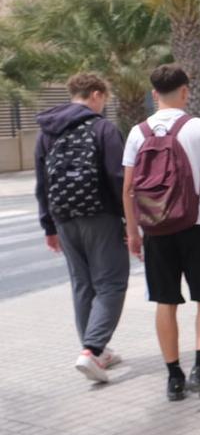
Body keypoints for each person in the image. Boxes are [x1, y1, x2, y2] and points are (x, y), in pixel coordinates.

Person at [122, 64, 200, 402]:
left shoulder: (137, 132)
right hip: (198, 223)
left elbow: (129, 187)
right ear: (186, 91)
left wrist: (133, 231)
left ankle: (173, 377)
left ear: (154, 93)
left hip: (157, 228)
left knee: (166, 300)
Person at [34, 72, 129, 383]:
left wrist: (48, 225)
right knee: (111, 283)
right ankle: (91, 349)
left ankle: (97, 351)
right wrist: (129, 219)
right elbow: (118, 178)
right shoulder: (103, 128)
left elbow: (42, 184)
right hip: (100, 215)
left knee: (82, 284)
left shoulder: (46, 132)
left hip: (63, 217)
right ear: (97, 94)